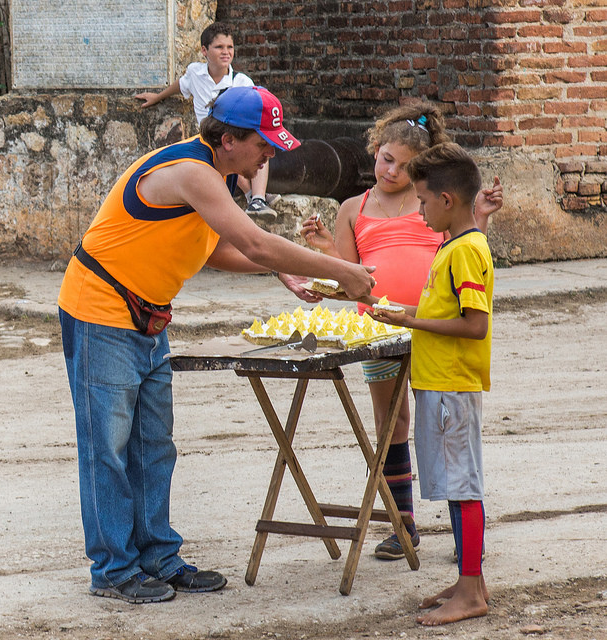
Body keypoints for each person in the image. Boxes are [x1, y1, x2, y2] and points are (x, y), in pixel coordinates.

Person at [58, 85, 376, 604]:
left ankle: (158, 557)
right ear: (227, 139)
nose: (269, 154)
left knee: (153, 446)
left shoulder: (217, 173)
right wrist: (341, 269)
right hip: (101, 314)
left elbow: (218, 249)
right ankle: (114, 569)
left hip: (147, 317)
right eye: (263, 144)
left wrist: (283, 272)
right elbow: (252, 240)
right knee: (109, 450)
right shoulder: (192, 172)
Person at [300, 101, 502, 561]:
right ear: (374, 149)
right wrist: (323, 252)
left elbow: (466, 252)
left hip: (433, 328)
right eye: (387, 159)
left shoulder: (434, 203)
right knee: (392, 422)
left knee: (447, 424)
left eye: (406, 167)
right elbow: (350, 273)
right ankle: (402, 524)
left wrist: (484, 217)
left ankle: (466, 538)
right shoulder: (354, 207)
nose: (393, 171)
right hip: (376, 329)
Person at [367, 141, 493, 626]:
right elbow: (446, 312)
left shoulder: (465, 251)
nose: (417, 210)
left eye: (422, 201)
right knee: (458, 483)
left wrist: (414, 325)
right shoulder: (454, 246)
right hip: (439, 381)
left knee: (463, 486)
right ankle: (470, 581)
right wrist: (403, 313)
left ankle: (470, 592)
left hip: (452, 384)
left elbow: (473, 324)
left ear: (447, 200)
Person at [135, 21, 280, 219]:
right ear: (204, 50)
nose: (226, 52)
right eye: (219, 47)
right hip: (211, 137)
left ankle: (258, 198)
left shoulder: (242, 82)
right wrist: (158, 96)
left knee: (255, 144)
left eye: (230, 47)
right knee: (221, 150)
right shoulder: (195, 72)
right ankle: (252, 196)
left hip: (235, 136)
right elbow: (181, 85)